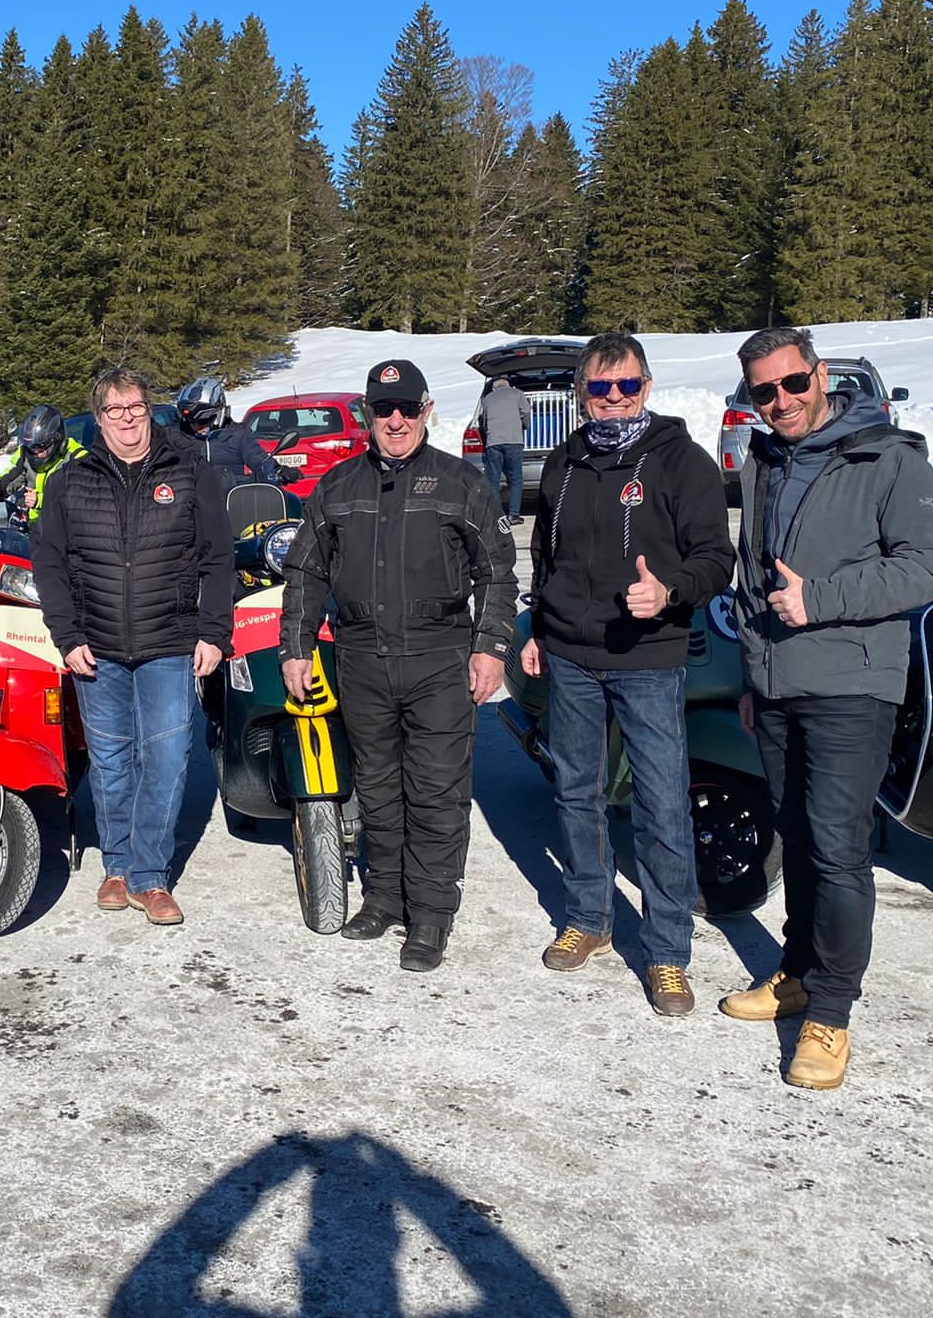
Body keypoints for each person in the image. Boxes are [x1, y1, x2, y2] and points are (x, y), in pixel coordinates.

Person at [722, 326, 933, 1090]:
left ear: (820, 375)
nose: (782, 400)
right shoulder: (765, 461)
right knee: (795, 834)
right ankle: (796, 974)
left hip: (853, 684)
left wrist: (819, 599)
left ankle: (831, 1013)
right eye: (764, 391)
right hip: (777, 686)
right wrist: (753, 678)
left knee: (837, 848)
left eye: (793, 383)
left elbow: (930, 567)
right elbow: (753, 580)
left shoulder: (888, 455)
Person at [280, 359, 518, 972]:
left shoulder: (462, 482)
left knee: (436, 791)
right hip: (362, 656)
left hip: (439, 656)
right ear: (367, 413)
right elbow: (305, 572)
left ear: (426, 410)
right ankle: (385, 896)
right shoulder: (337, 486)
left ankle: (431, 914)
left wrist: (491, 646)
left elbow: (496, 572)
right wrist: (296, 648)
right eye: (383, 409)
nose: (395, 421)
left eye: (407, 409)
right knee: (379, 787)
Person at [523, 333, 734, 1016]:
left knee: (661, 803)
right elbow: (546, 559)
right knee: (575, 792)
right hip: (570, 657)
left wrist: (669, 591)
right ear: (581, 394)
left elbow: (716, 559)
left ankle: (668, 951)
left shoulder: (682, 462)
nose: (614, 398)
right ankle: (590, 917)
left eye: (627, 385)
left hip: (648, 657)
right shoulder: (564, 462)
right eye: (600, 387)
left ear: (647, 387)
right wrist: (540, 630)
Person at [32, 368, 233, 925]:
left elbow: (218, 558)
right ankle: (117, 867)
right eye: (115, 410)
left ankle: (151, 876)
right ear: (99, 419)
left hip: (169, 642)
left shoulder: (190, 472)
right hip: (96, 648)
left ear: (150, 411)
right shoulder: (69, 482)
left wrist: (214, 632)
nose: (127, 419)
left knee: (166, 760)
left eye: (136, 407)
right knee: (111, 762)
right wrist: (67, 635)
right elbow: (49, 564)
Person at [176, 377, 279, 493]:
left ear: (219, 413)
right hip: (191, 501)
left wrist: (278, 471)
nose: (196, 426)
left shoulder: (237, 435)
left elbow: (260, 461)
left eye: (203, 421)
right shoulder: (177, 437)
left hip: (233, 499)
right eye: (190, 421)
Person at [0, 403, 85, 521]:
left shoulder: (77, 459)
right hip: (33, 527)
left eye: (41, 448)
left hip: (65, 527)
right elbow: (10, 478)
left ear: (57, 443)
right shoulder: (27, 454)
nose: (35, 453)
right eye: (32, 448)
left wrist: (40, 500)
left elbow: (80, 499)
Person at [478, 378, 531, 523]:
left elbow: (483, 420)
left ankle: (496, 515)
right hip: (513, 441)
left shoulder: (487, 399)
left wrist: (487, 433)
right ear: (509, 386)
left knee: (493, 481)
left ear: (494, 388)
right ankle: (513, 514)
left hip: (493, 443)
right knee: (515, 479)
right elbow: (526, 411)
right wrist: (524, 425)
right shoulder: (518, 394)